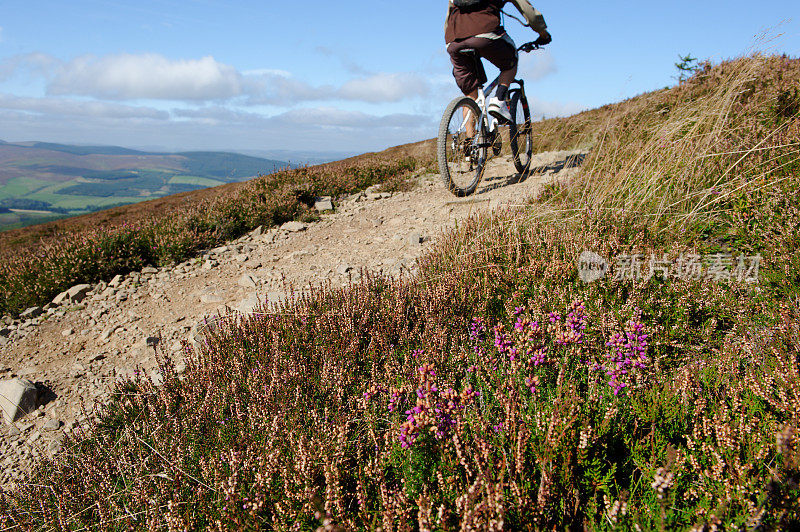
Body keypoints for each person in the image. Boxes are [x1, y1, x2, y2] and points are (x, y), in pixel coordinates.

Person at [445, 0, 551, 125]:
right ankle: (499, 99)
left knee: (470, 95)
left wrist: (451, 40)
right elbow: (529, 12)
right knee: (511, 60)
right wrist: (543, 33)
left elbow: (448, 17)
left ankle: (469, 143)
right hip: (485, 33)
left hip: (453, 41)